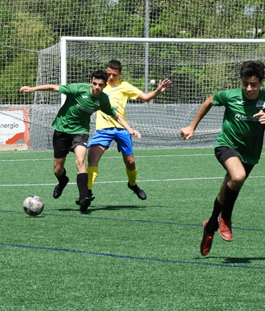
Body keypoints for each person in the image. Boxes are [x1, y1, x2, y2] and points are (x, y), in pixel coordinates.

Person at [180, 60, 265, 256]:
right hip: (226, 145)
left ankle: (210, 226)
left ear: (261, 83)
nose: (249, 88)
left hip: (250, 154)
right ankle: (225, 218)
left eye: (253, 84)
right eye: (245, 84)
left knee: (226, 191)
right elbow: (210, 100)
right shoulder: (231, 96)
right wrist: (192, 126)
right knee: (237, 177)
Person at [19, 70, 141, 213]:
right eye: (94, 83)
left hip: (80, 132)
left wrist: (129, 128)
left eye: (100, 85)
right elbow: (54, 87)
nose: (96, 87)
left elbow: (115, 115)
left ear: (104, 85)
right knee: (57, 169)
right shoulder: (78, 89)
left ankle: (84, 199)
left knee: (81, 160)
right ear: (91, 82)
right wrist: (33, 89)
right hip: (62, 130)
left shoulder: (102, 99)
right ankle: (63, 180)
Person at [87, 59, 172, 201]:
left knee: (130, 162)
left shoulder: (124, 86)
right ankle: (87, 192)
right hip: (103, 129)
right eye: (108, 74)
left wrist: (157, 91)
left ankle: (132, 184)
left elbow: (145, 97)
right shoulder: (100, 85)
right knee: (92, 158)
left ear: (120, 74)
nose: (111, 77)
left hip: (121, 128)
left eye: (114, 74)